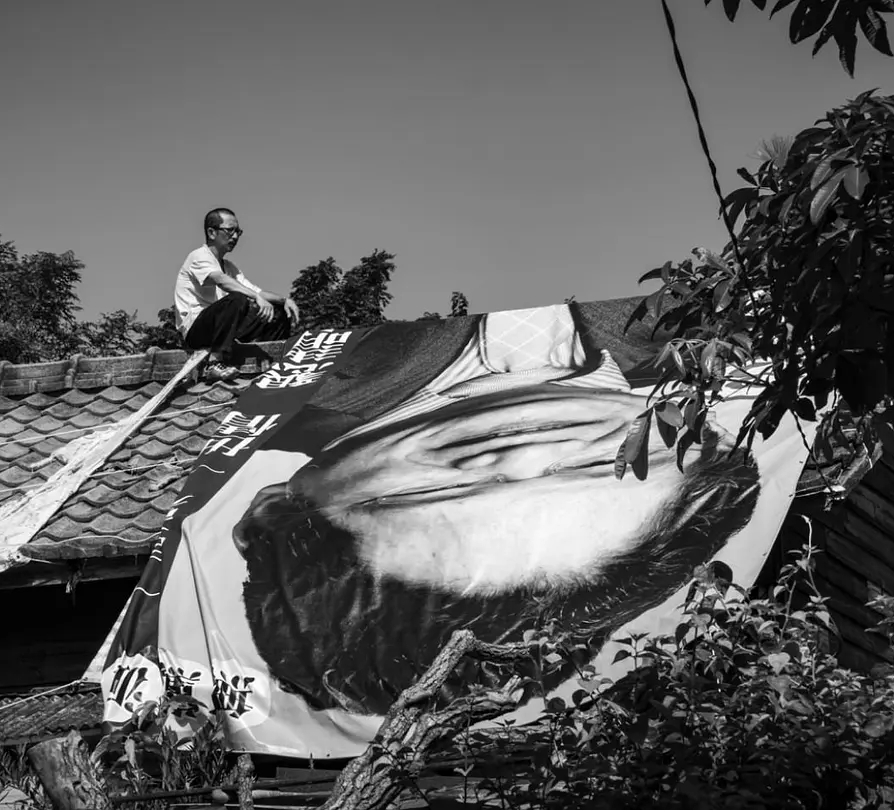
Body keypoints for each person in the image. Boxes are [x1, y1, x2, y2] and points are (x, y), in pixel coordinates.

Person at [232, 302, 762, 716]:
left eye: (446, 493)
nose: (529, 457)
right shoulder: (703, 333)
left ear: (286, 503)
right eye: (603, 467)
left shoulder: (295, 387)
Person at [174, 208, 301, 382]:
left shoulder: (229, 267)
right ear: (212, 232)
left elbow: (256, 291)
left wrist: (284, 300)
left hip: (223, 330)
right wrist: (256, 298)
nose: (235, 237)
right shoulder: (198, 256)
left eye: (238, 232)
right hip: (196, 331)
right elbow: (222, 281)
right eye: (230, 231)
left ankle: (272, 365)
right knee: (238, 298)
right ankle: (214, 363)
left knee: (278, 312)